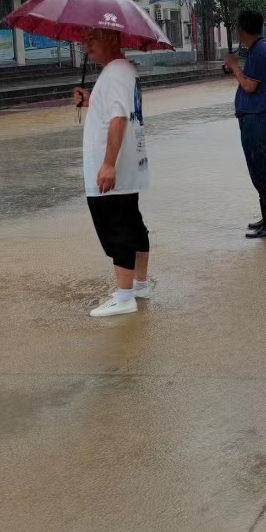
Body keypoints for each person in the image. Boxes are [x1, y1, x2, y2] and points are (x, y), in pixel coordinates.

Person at [72, 29, 151, 317]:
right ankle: (138, 285)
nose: (86, 43)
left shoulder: (116, 71)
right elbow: (117, 110)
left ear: (114, 40)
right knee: (132, 226)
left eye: (94, 37)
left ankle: (124, 297)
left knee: (116, 230)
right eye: (86, 38)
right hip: (128, 168)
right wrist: (91, 99)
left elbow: (118, 119)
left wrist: (107, 164)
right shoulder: (122, 71)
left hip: (114, 171)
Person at [225, 10, 266, 238]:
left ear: (242, 30)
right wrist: (237, 69)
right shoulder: (259, 50)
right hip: (256, 119)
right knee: (262, 169)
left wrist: (235, 67)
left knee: (261, 171)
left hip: (257, 120)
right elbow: (248, 83)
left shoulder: (259, 52)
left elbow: (249, 87)